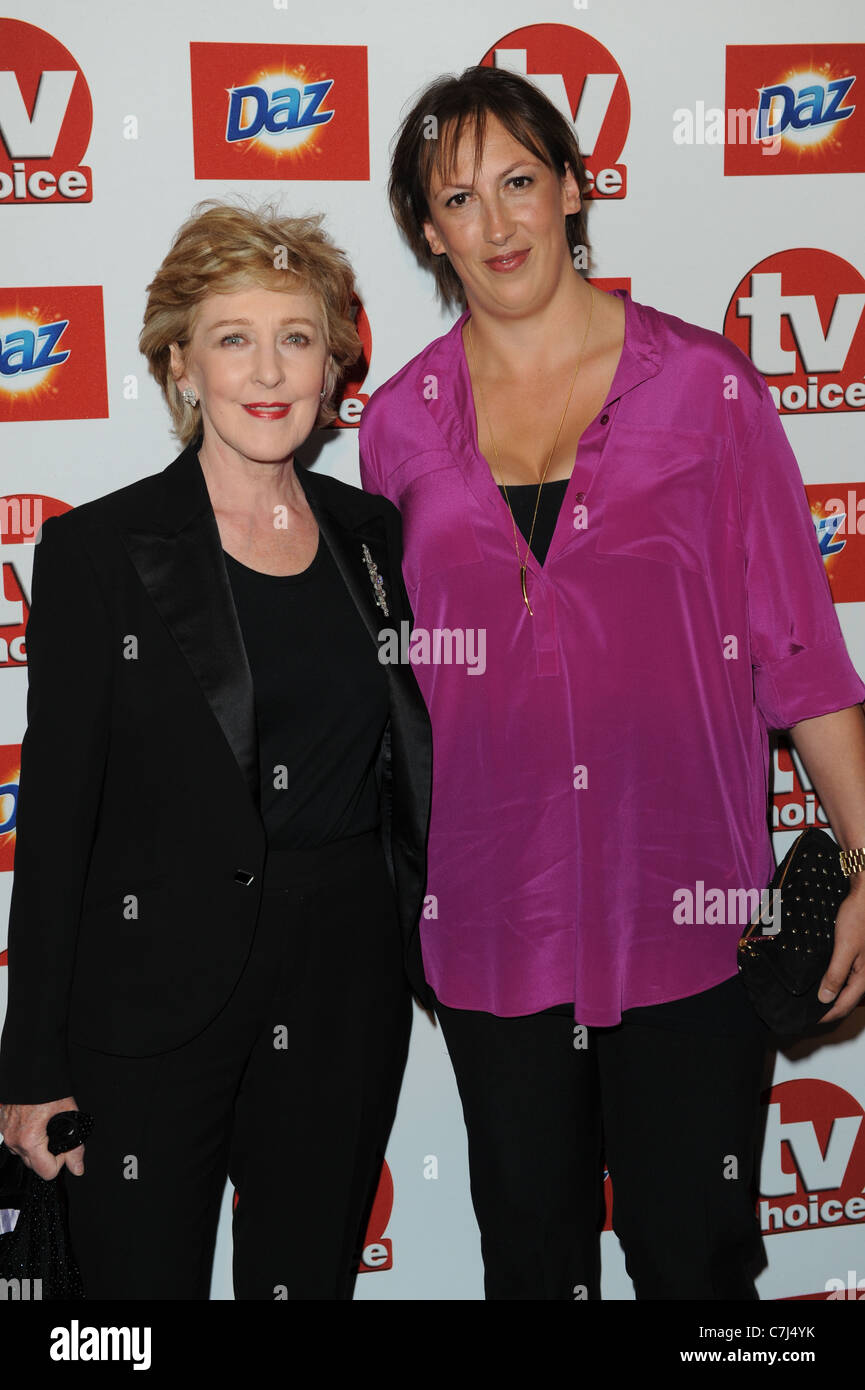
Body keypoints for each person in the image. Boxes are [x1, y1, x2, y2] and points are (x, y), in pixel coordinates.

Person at [359, 66, 865, 1300]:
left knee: (697, 1267)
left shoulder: (708, 392)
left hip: (686, 913)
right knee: (530, 1268)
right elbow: (387, 692)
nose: (497, 222)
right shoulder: (395, 427)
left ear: (576, 186)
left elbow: (799, 652)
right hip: (491, 922)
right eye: (458, 196)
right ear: (428, 229)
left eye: (521, 181)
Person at [0, 201, 432, 1300]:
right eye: (233, 337)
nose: (268, 368)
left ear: (335, 363)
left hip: (343, 985)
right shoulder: (100, 553)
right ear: (181, 364)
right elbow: (52, 825)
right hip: (149, 1004)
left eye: (296, 335)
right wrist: (31, 1067)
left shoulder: (369, 534)